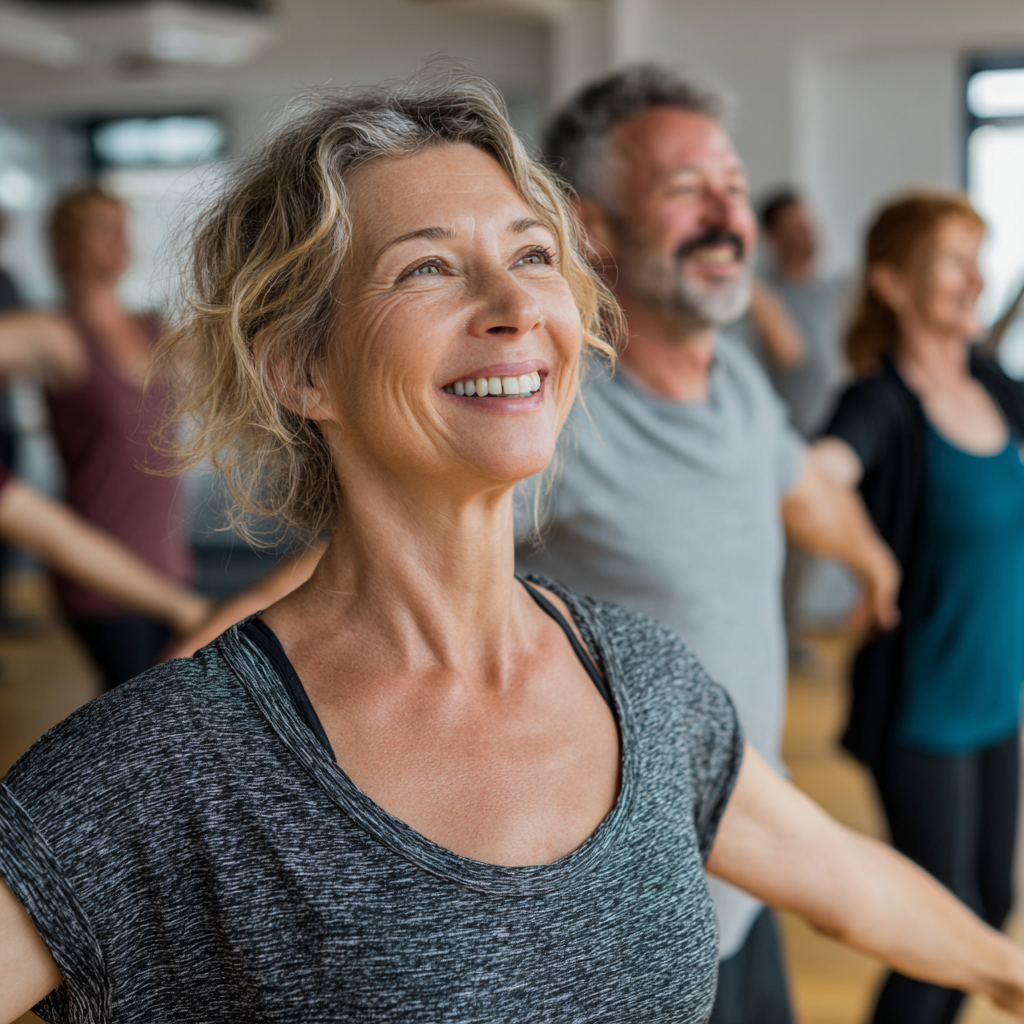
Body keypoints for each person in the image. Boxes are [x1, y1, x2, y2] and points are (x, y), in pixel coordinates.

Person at [2, 70, 1024, 1024]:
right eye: (430, 268)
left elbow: (842, 878)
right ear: (300, 368)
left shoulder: (645, 684)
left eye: (533, 255)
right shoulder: (170, 764)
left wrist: (1005, 969)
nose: (516, 308)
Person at [516, 65, 899, 1023]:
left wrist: (871, 560)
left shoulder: (734, 379)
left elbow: (801, 489)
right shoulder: (553, 422)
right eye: (688, 190)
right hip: (615, 936)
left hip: (743, 880)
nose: (729, 214)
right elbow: (338, 592)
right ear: (591, 223)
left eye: (733, 186)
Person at [815, 191, 1024, 1024]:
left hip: (995, 701)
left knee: (989, 907)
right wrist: (866, 559)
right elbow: (819, 474)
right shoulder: (881, 404)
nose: (975, 279)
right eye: (952, 261)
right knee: (939, 938)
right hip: (923, 710)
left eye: (979, 258)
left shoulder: (991, 384)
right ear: (893, 283)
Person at [0, 188, 194, 689]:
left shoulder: (154, 328)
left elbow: (241, 350)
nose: (119, 240)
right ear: (64, 246)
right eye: (101, 227)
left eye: (122, 226)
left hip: (169, 563)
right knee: (141, 717)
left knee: (173, 710)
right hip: (98, 572)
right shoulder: (56, 334)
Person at [754, 188, 847, 438]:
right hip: (791, 436)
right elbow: (791, 355)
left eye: (809, 224)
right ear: (773, 236)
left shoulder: (832, 293)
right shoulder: (760, 292)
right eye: (796, 226)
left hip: (838, 432)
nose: (809, 234)